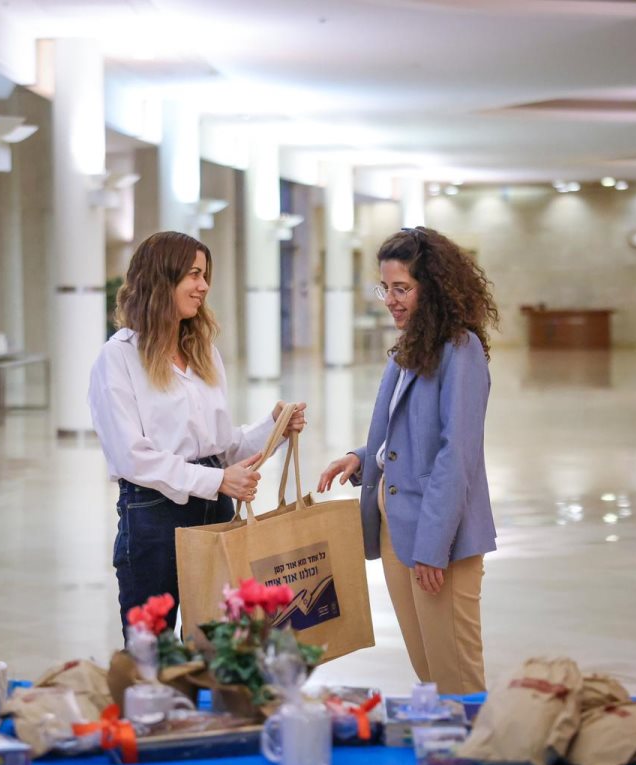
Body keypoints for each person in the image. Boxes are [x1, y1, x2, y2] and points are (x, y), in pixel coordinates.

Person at [89, 230, 306, 634]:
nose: (203, 286)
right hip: (154, 514)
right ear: (160, 279)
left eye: (204, 275)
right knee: (151, 652)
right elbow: (132, 457)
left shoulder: (203, 353)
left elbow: (224, 448)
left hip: (214, 510)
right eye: (192, 274)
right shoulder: (118, 358)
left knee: (220, 646)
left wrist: (272, 426)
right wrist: (219, 479)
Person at [317, 226, 498, 695]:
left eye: (403, 288)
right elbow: (402, 436)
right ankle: (445, 754)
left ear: (433, 290)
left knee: (455, 675)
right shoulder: (408, 349)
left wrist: (433, 546)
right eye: (387, 288)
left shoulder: (461, 350)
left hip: (437, 535)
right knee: (428, 671)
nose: (391, 300)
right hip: (397, 525)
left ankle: (472, 753)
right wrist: (361, 458)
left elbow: (454, 453)